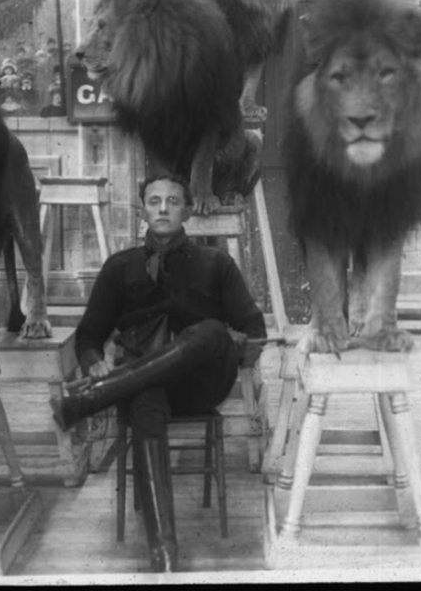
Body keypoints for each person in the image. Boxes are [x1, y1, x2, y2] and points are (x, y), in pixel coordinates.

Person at [50, 173, 267, 572]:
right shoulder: (119, 268)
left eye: (173, 201)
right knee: (145, 402)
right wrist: (93, 360)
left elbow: (255, 331)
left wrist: (228, 343)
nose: (163, 208)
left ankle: (90, 398)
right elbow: (89, 336)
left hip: (200, 384)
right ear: (142, 210)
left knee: (211, 330)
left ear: (187, 211)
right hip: (144, 387)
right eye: (154, 201)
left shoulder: (216, 263)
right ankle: (163, 552)